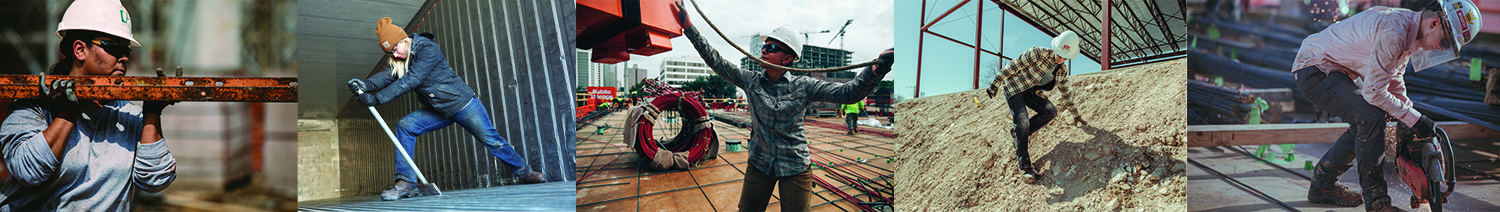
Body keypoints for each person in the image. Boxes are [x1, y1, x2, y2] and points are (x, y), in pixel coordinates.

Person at [674, 3, 894, 211]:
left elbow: (849, 93)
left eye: (770, 47)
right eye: (763, 46)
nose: (763, 50)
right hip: (760, 163)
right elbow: (717, 61)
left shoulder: (805, 85)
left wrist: (874, 71)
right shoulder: (751, 81)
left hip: (796, 167)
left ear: (787, 58)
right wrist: (689, 27)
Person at [1292, 1, 1479, 211]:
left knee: (1366, 121)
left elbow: (1393, 80)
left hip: (1331, 68)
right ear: (1435, 23)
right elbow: (1373, 91)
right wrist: (1414, 119)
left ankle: (1323, 184)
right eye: (1445, 42)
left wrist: (1412, 118)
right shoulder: (1395, 31)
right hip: (1314, 67)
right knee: (1370, 117)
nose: (1439, 48)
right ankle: (1377, 203)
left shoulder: (1408, 28)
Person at [0, 0, 177, 210]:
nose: (123, 58)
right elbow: (28, 171)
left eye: (126, 51)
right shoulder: (33, 109)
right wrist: (66, 115)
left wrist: (152, 113)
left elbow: (155, 180)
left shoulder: (127, 115)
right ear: (80, 50)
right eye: (114, 47)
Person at [347, 17, 545, 201]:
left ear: (403, 39)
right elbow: (388, 75)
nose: (395, 54)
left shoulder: (428, 49)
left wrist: (377, 99)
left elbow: (412, 79)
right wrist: (366, 85)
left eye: (396, 48)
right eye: (391, 53)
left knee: (492, 140)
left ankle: (525, 173)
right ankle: (406, 183)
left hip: (463, 104)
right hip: (438, 110)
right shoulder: (402, 57)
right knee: (405, 126)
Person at [983, 30, 1087, 184]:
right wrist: (995, 83)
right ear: (1055, 47)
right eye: (1059, 53)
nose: (1060, 58)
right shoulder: (1038, 53)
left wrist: (1076, 114)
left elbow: (1066, 94)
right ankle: (1025, 167)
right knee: (1022, 120)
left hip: (1031, 92)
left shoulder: (1062, 72)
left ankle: (1018, 134)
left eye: (1064, 56)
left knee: (1051, 111)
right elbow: (1014, 64)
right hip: (1014, 87)